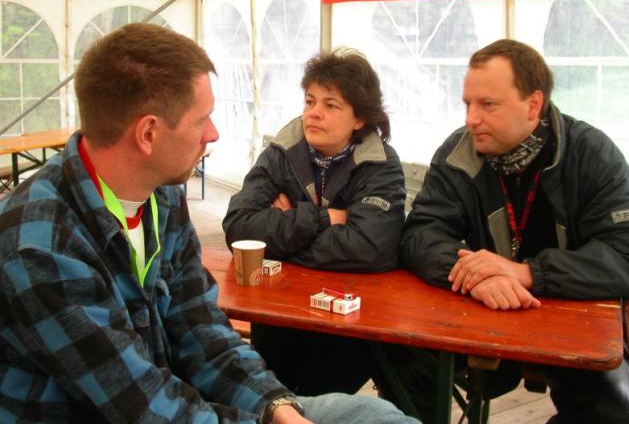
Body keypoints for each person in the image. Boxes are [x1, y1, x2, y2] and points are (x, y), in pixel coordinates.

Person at [0, 23, 419, 424]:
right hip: (132, 412)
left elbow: (200, 328)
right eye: (203, 119)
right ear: (148, 134)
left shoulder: (161, 193)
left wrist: (273, 405)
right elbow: (143, 407)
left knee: (376, 417)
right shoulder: (38, 243)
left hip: (179, 402)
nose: (214, 134)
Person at [398, 38, 629, 423]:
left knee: (613, 410)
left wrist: (527, 273)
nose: (471, 119)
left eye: (488, 105)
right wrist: (475, 276)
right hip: (483, 311)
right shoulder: (458, 152)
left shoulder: (592, 155)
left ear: (533, 104)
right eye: (468, 104)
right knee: (400, 360)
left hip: (573, 320)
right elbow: (419, 234)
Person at [222, 49, 406, 397]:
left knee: (321, 400)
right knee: (269, 393)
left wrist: (283, 233)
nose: (313, 113)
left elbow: (370, 248)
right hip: (278, 314)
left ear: (359, 119)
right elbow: (239, 228)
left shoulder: (379, 164)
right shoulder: (282, 151)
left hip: (347, 324)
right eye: (309, 101)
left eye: (330, 105)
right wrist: (323, 218)